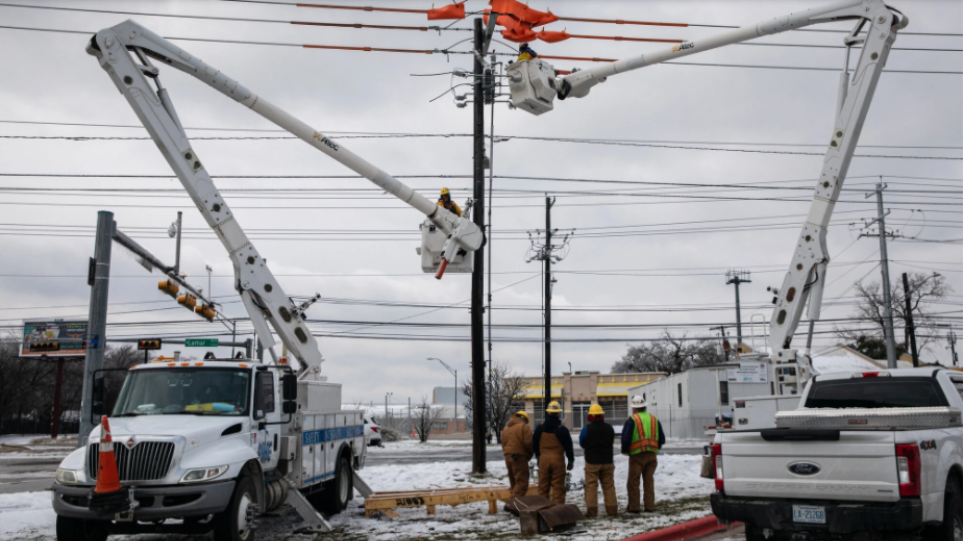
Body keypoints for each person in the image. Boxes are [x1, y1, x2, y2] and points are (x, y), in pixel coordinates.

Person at [621, 395, 665, 513]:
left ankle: (634, 508)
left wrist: (625, 450)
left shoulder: (632, 420)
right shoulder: (654, 419)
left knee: (633, 482)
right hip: (652, 455)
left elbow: (626, 439)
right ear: (644, 407)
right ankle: (649, 507)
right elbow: (662, 439)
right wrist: (655, 448)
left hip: (636, 455)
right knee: (648, 482)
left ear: (634, 408)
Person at [578, 403, 617, 518]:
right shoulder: (610, 428)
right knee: (609, 485)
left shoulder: (586, 429)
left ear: (591, 416)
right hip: (608, 461)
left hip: (592, 462)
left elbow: (582, 442)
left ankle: (592, 512)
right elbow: (611, 441)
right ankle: (612, 510)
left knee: (591, 486)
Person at [533, 401, 574, 504]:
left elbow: (534, 443)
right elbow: (569, 447)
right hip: (558, 461)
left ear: (548, 413)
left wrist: (538, 456)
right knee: (558, 488)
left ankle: (543, 511)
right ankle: (558, 513)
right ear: (558, 413)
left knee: (543, 487)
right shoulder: (563, 430)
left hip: (544, 460)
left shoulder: (540, 428)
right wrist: (570, 461)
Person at [500, 411, 534, 506]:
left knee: (514, 483)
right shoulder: (524, 427)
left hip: (508, 456)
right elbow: (529, 443)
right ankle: (511, 505)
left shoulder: (506, 429)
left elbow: (503, 444)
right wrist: (529, 455)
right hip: (519, 456)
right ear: (524, 419)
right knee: (522, 482)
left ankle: (517, 505)